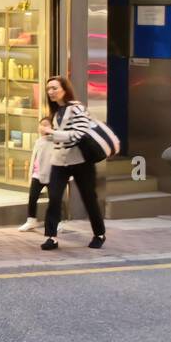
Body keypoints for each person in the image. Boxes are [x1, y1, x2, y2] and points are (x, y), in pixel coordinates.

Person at [40, 75, 106, 251]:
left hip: (80, 161)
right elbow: (58, 138)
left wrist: (52, 133)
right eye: (48, 89)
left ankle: (99, 233)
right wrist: (51, 134)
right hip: (59, 162)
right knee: (54, 198)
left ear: (65, 89)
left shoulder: (77, 109)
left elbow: (79, 134)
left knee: (89, 198)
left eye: (54, 88)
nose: (51, 92)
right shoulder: (55, 112)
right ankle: (51, 237)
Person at [20, 116, 68, 234]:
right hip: (38, 174)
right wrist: (32, 172)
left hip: (52, 174)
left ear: (52, 127)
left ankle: (59, 222)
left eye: (46, 125)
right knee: (32, 197)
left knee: (55, 199)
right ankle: (31, 220)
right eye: (41, 125)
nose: (42, 127)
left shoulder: (55, 140)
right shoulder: (38, 141)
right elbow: (35, 158)